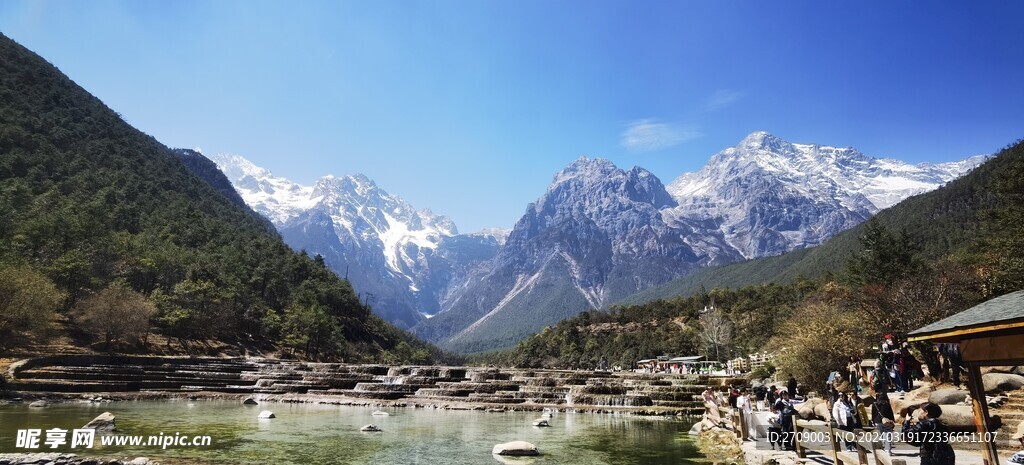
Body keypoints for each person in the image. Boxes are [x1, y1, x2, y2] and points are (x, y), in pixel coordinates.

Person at [872, 389, 896, 454]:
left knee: (882, 434)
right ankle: (887, 450)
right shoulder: (887, 404)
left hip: (877, 422)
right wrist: (892, 421)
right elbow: (890, 413)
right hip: (886, 422)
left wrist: (873, 422)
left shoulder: (875, 404)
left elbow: (873, 414)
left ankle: (883, 447)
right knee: (887, 435)